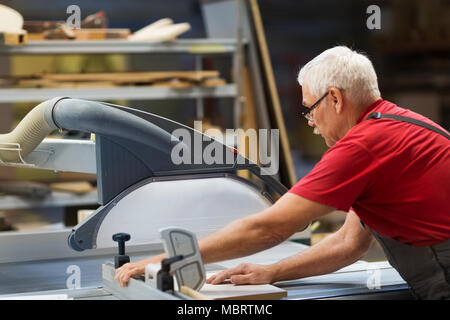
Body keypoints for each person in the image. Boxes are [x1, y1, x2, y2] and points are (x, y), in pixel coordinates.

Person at [115, 46, 450, 300]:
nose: (311, 123)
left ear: (334, 98)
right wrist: (272, 271)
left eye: (310, 109)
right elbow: (350, 243)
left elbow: (268, 228)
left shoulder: (363, 146)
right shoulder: (398, 125)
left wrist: (165, 260)